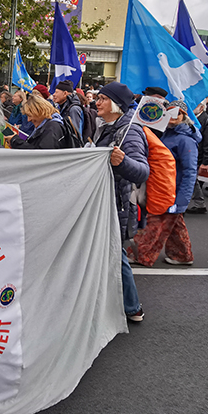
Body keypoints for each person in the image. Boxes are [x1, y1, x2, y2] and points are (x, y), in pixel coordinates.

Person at [91, 81, 148, 322]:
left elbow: (142, 172)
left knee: (116, 254)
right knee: (112, 253)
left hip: (117, 203)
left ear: (115, 104)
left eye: (102, 99)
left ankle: (132, 307)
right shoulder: (106, 127)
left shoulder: (129, 131)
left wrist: (122, 162)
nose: (97, 102)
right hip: (105, 201)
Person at [129, 100, 201, 267]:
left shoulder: (186, 140)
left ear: (184, 116)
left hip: (170, 192)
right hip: (163, 188)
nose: (173, 116)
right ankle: (182, 255)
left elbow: (190, 171)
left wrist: (182, 200)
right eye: (169, 112)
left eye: (177, 113)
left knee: (155, 224)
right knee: (174, 224)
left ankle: (140, 255)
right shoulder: (167, 134)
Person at [186, 100, 208, 215]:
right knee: (192, 180)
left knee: (192, 180)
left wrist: (206, 162)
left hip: (198, 156)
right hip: (191, 155)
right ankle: (198, 203)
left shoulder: (207, 120)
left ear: (201, 108)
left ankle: (199, 203)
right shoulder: (190, 119)